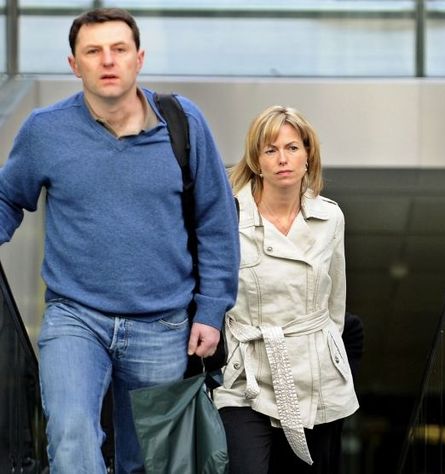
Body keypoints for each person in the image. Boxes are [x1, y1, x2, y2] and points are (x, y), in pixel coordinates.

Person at [0, 8, 239, 473]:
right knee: (71, 435)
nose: (107, 60)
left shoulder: (183, 123)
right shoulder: (46, 131)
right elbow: (8, 197)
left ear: (138, 58)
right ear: (75, 64)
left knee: (144, 463)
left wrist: (211, 311)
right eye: (93, 51)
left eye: (118, 49)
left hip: (164, 326)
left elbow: (215, 220)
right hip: (76, 317)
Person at [213, 105, 359, 474]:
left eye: (293, 148)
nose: (283, 159)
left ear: (308, 157)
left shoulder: (330, 218)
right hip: (246, 379)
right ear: (256, 159)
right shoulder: (228, 216)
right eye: (271, 149)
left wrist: (322, 351)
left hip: (315, 378)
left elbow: (334, 305)